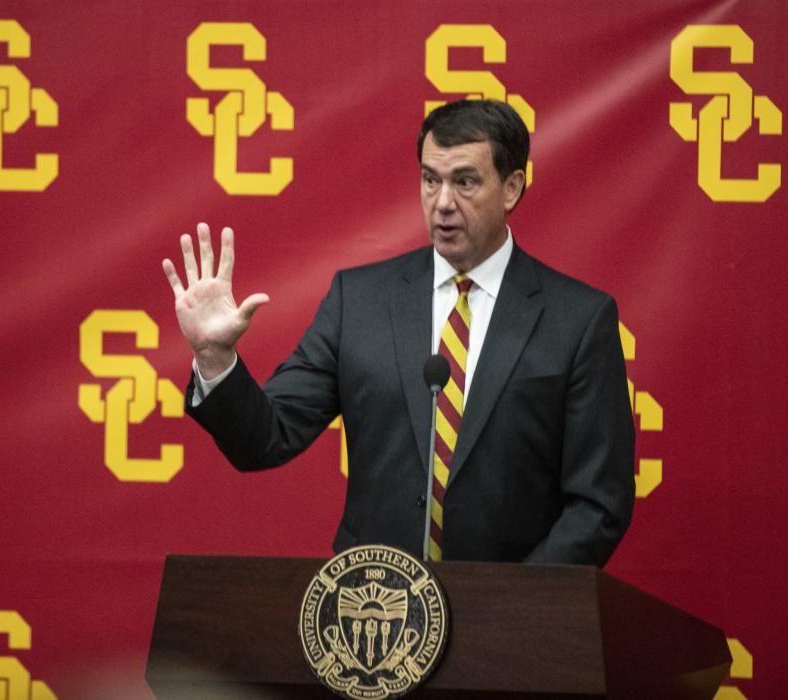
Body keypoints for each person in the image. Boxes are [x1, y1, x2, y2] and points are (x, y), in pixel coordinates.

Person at [162, 99, 635, 566]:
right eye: (431, 180)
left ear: (511, 188)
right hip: (373, 612)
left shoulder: (577, 320)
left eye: (464, 182)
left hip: (510, 621)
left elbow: (598, 504)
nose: (443, 203)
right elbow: (265, 439)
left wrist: (510, 607)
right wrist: (215, 358)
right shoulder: (359, 302)